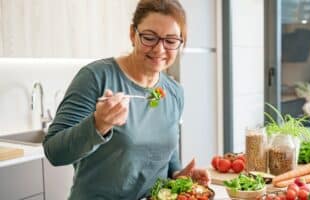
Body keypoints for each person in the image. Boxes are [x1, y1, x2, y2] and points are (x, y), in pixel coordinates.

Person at [43, 0, 210, 199]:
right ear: (133, 34)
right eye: (149, 37)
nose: (159, 49)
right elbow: (54, 151)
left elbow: (166, 150)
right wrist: (98, 125)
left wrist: (177, 174)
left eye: (171, 41)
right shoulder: (96, 77)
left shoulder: (174, 92)